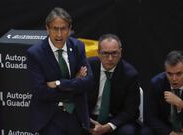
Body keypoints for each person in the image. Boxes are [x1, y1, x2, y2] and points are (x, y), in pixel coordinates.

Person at [27, 7, 93, 135]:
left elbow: (88, 82)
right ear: (47, 28)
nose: (59, 34)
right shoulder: (35, 53)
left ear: (69, 29)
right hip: (50, 117)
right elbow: (41, 92)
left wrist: (59, 84)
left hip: (76, 115)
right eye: (54, 29)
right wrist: (75, 83)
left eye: (63, 29)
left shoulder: (78, 47)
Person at [87, 34, 152, 135]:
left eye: (114, 53)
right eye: (105, 53)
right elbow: (78, 97)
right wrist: (86, 120)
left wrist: (108, 127)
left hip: (116, 119)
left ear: (120, 52)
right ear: (98, 53)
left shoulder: (130, 75)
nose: (110, 58)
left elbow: (131, 110)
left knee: (128, 132)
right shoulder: (88, 67)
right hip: (90, 117)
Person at [145, 50, 183, 135]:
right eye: (169, 74)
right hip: (165, 129)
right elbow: (150, 117)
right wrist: (169, 133)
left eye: (179, 74)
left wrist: (180, 103)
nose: (174, 78)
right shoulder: (156, 83)